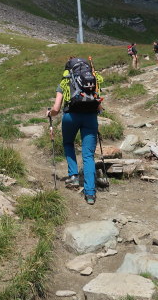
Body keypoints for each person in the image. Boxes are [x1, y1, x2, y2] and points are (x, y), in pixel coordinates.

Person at [47, 58, 102, 205]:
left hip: (71, 117)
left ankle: (73, 176)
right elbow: (99, 105)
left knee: (68, 143)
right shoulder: (93, 80)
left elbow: (56, 109)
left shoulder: (65, 82)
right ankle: (90, 193)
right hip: (90, 118)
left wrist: (49, 113)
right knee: (88, 155)